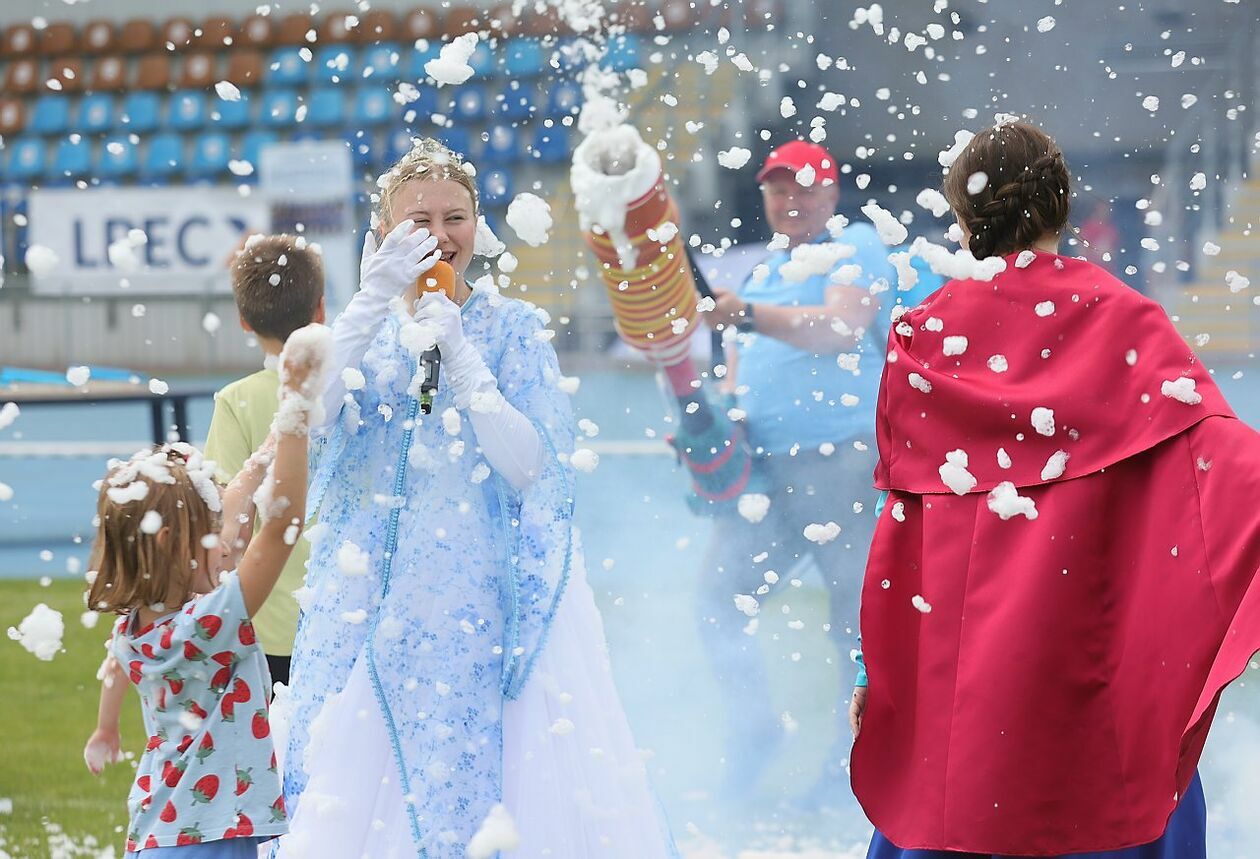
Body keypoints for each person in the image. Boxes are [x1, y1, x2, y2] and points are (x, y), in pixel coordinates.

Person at [850, 120, 1260, 858]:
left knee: (951, 810)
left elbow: (902, 523)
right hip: (1093, 659)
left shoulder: (924, 336)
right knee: (1122, 800)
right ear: (1062, 204)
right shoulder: (1124, 319)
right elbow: (1224, 469)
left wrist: (870, 667)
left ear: (964, 214)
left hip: (964, 682)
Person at [275, 138, 675, 857]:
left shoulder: (512, 328)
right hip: (373, 608)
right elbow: (312, 414)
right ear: (382, 233)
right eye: (417, 220)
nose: (438, 235)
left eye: (454, 217)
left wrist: (462, 358)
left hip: (483, 603)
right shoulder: (365, 332)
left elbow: (530, 466)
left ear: (478, 225)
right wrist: (369, 301)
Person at [699, 140, 935, 803]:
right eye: (778, 188)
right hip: (767, 470)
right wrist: (718, 425)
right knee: (717, 599)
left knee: (856, 626)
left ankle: (852, 765)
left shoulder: (854, 243)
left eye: (804, 187)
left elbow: (840, 327)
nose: (790, 199)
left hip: (843, 460)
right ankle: (755, 728)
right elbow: (739, 366)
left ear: (832, 194)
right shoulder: (765, 267)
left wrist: (746, 314)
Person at [80, 326, 327, 856]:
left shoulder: (135, 626)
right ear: (170, 542)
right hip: (209, 839)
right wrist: (294, 411)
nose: (225, 538)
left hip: (161, 831)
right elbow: (281, 529)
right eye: (210, 531)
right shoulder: (207, 624)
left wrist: (260, 457)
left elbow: (232, 511)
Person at [203, 233, 327, 690]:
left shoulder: (236, 401)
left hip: (269, 626)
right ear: (320, 310)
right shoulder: (352, 388)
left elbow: (228, 520)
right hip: (347, 616)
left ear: (243, 322)